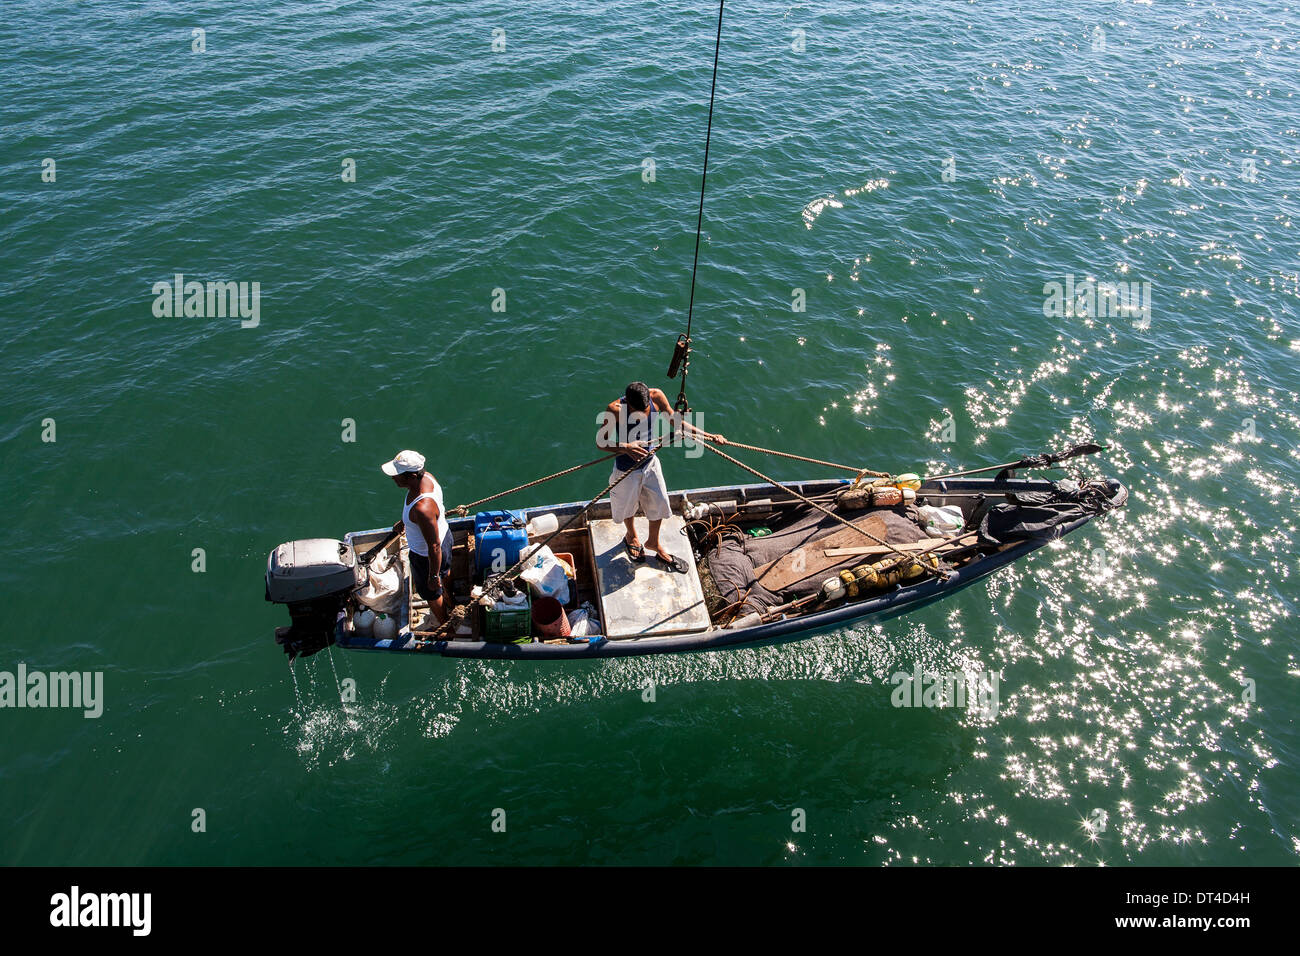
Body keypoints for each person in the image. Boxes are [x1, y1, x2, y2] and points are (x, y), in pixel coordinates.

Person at [596, 382, 709, 572]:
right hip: (625, 470)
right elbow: (601, 442)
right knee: (626, 508)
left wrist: (709, 435)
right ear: (627, 403)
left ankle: (653, 543)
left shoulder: (656, 397)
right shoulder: (614, 410)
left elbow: (676, 422)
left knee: (660, 504)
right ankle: (631, 536)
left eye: (646, 407)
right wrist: (625, 447)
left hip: (650, 464)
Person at [382, 450, 453, 625]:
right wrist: (405, 521)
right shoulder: (427, 477)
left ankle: (444, 624)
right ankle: (451, 598)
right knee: (446, 571)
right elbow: (425, 519)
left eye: (397, 474)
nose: (393, 478)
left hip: (426, 556)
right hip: (446, 537)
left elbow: (434, 547)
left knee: (431, 592)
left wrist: (433, 576)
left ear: (411, 476)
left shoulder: (422, 508)